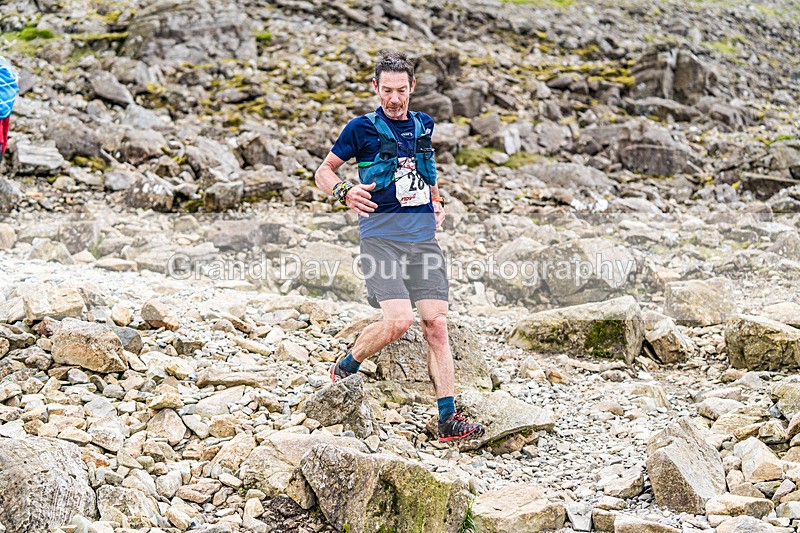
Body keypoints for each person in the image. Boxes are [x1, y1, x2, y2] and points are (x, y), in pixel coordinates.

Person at [314, 51, 485, 443]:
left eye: (401, 90)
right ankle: (346, 366)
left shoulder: (423, 125)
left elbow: (428, 169)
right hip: (380, 239)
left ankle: (447, 419)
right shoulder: (359, 129)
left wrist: (438, 201)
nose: (394, 99)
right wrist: (344, 191)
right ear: (375, 88)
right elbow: (324, 171)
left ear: (412, 88)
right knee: (398, 322)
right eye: (387, 90)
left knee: (436, 325)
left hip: (423, 239)